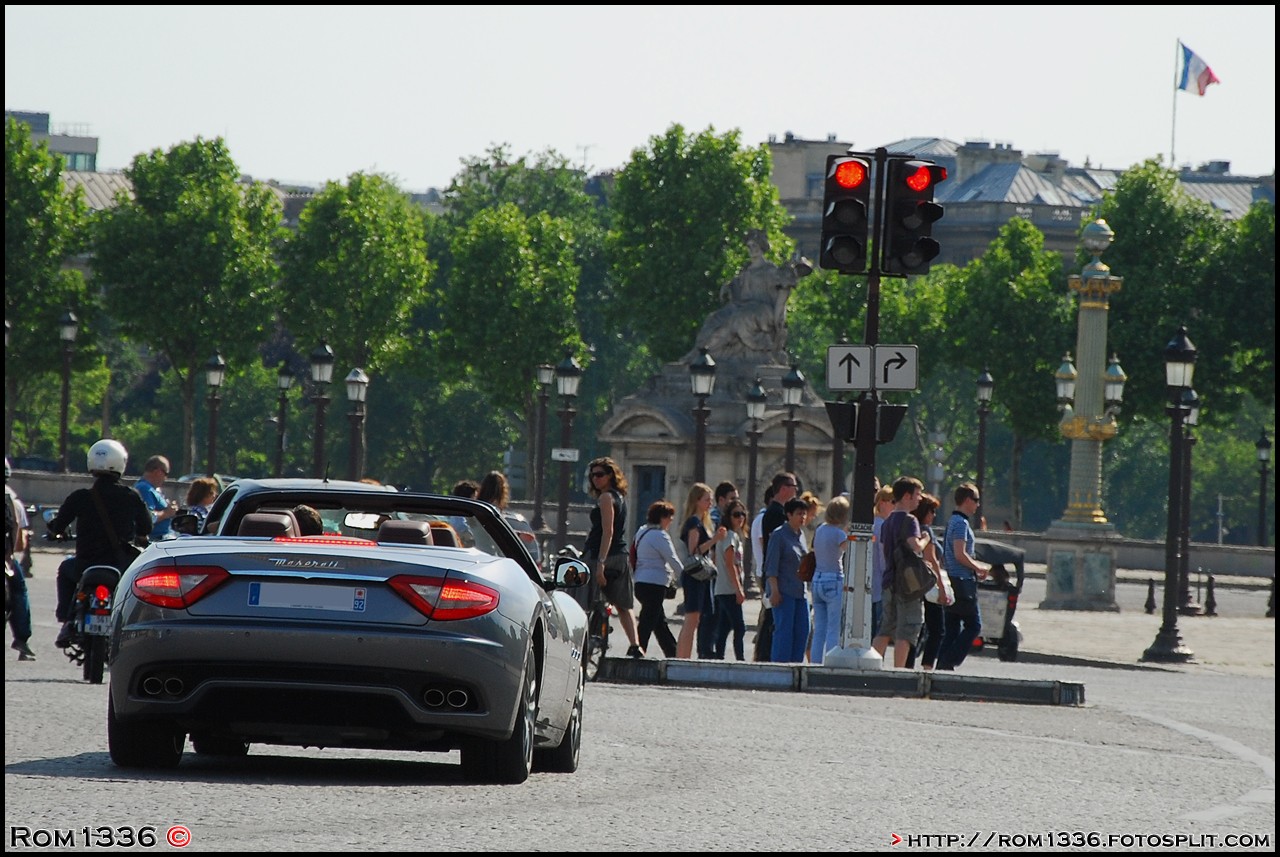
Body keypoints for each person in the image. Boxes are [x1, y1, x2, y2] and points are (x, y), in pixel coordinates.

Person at [48, 440, 153, 647]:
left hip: (85, 565)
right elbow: (146, 527)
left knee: (65, 569)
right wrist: (140, 536)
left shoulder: (80, 497)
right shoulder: (131, 496)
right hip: (120, 566)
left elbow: (58, 525)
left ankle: (67, 620)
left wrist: (55, 531)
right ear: (121, 463)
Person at [689, 229, 813, 362]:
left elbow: (783, 290)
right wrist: (728, 287)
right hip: (741, 306)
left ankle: (707, 352)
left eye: (755, 245)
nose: (752, 249)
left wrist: (779, 321)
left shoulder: (770, 270)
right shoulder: (746, 270)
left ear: (762, 247)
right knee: (714, 318)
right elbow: (738, 288)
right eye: (749, 246)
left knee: (738, 319)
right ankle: (700, 353)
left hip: (761, 310)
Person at [582, 457, 642, 658]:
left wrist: (601, 563)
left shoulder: (606, 498)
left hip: (600, 555)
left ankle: (582, 640)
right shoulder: (620, 497)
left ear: (610, 476)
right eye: (593, 475)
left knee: (583, 600)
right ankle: (635, 645)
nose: (595, 479)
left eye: (600, 475)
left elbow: (608, 532)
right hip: (620, 556)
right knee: (623, 604)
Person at [871, 476, 928, 669]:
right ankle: (899, 671)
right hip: (908, 583)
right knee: (907, 628)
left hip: (889, 581)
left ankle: (871, 666)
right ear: (906, 496)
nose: (920, 499)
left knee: (886, 627)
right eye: (917, 494)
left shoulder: (887, 522)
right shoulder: (910, 520)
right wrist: (925, 540)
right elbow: (915, 546)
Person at [936, 483, 991, 671]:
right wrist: (978, 567)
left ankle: (942, 664)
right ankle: (949, 661)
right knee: (973, 626)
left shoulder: (952, 520)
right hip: (962, 582)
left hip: (953, 579)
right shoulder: (961, 524)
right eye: (976, 500)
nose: (977, 504)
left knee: (952, 628)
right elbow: (960, 554)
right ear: (967, 500)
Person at [676, 482, 727, 659]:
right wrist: (715, 539)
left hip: (702, 576)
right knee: (691, 619)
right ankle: (682, 658)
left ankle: (684, 657)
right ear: (697, 501)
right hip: (694, 575)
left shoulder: (703, 522)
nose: (710, 503)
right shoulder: (694, 522)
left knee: (695, 619)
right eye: (707, 500)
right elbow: (694, 551)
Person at [752, 472, 798, 661]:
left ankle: (763, 655)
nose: (796, 490)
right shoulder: (777, 513)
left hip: (774, 571)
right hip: (776, 573)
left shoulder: (775, 511)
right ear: (784, 488)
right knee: (773, 618)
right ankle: (764, 655)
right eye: (794, 487)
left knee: (771, 616)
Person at [630, 500, 683, 659]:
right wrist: (686, 577)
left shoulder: (641, 532)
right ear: (662, 517)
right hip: (655, 584)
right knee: (647, 623)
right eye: (669, 517)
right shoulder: (660, 536)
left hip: (640, 582)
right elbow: (673, 560)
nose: (671, 520)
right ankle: (635, 652)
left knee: (659, 623)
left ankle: (673, 653)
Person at [763, 497, 809, 663]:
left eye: (804, 514)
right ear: (789, 515)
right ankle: (780, 667)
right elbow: (771, 566)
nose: (802, 517)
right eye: (798, 514)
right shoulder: (779, 535)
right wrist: (774, 591)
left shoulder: (801, 535)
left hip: (800, 592)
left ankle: (796, 666)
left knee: (803, 631)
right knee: (784, 632)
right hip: (783, 592)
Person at [909, 493, 951, 670]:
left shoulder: (911, 528)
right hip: (929, 583)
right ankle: (927, 667)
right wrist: (942, 587)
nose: (934, 515)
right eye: (932, 511)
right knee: (937, 629)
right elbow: (932, 560)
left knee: (915, 629)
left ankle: (907, 665)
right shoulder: (926, 531)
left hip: (913, 583)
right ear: (924, 511)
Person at [809, 494, 850, 665]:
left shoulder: (820, 530)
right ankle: (830, 662)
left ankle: (815, 662)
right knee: (834, 627)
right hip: (833, 579)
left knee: (819, 629)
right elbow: (848, 550)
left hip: (817, 578)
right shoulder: (839, 534)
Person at [5, 459, 35, 660]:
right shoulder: (11, 499)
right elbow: (17, 529)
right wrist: (9, 555)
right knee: (19, 590)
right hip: (5, 557)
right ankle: (22, 639)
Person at [711, 498, 748, 660]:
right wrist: (738, 589)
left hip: (723, 588)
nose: (740, 518)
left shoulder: (730, 536)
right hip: (728, 589)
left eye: (742, 514)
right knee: (740, 627)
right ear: (728, 516)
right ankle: (740, 659)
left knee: (725, 627)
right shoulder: (730, 536)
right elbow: (729, 563)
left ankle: (719, 657)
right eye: (736, 514)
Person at [869, 484, 895, 640]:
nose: (895, 506)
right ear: (882, 503)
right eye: (893, 502)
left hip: (870, 585)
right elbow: (883, 558)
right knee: (880, 631)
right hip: (880, 586)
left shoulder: (872, 524)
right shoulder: (883, 526)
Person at [136, 455, 179, 540]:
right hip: (156, 539)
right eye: (166, 474)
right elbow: (148, 517)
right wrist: (166, 513)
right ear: (158, 472)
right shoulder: (145, 489)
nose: (166, 478)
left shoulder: (152, 489)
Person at [448, 479, 479, 546]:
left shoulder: (457, 517)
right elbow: (469, 537)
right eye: (474, 497)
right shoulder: (460, 521)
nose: (476, 501)